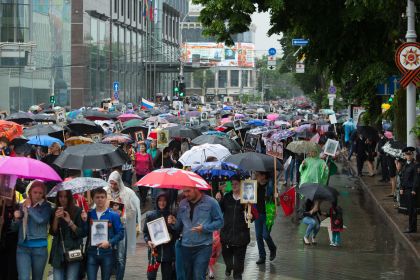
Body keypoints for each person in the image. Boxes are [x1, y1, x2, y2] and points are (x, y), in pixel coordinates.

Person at [168, 187, 223, 280]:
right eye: (184, 191)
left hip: (203, 246)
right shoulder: (182, 203)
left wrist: (204, 228)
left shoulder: (211, 202)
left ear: (196, 188)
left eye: (188, 191)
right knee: (188, 276)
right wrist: (173, 222)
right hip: (186, 246)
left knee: (198, 276)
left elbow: (220, 222)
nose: (186, 194)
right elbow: (179, 226)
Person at [11, 180, 52, 280]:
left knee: (37, 278)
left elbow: (41, 220)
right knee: (23, 277)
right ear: (29, 192)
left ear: (43, 194)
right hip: (22, 248)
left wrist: (29, 208)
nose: (37, 195)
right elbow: (14, 229)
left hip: (40, 249)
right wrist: (15, 219)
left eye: (40, 193)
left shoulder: (46, 206)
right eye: (35, 192)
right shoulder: (21, 205)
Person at [105, 171, 141, 280]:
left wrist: (123, 214)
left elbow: (133, 211)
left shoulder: (127, 193)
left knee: (120, 256)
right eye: (111, 183)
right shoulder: (104, 192)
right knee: (109, 254)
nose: (112, 186)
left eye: (115, 183)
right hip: (108, 229)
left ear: (119, 182)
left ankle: (119, 277)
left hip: (121, 228)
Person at [86, 188, 125, 280]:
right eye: (97, 197)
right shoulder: (89, 214)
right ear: (93, 199)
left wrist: (110, 242)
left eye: (102, 197)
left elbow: (120, 233)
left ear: (106, 198)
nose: (100, 199)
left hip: (107, 253)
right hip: (92, 252)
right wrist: (84, 221)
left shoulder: (113, 215)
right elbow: (84, 232)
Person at [49, 190, 87, 280]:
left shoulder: (77, 211)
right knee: (57, 278)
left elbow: (81, 233)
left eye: (65, 197)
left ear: (69, 198)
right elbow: (53, 232)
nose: (63, 199)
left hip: (73, 249)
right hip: (58, 250)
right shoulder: (54, 210)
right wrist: (56, 219)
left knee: (71, 278)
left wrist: (69, 221)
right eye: (60, 196)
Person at [219, 178, 252, 280]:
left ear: (241, 184)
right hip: (226, 235)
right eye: (232, 184)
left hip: (241, 236)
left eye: (236, 183)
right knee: (227, 259)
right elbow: (218, 210)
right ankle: (229, 267)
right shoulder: (227, 197)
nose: (234, 186)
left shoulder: (247, 197)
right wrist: (218, 199)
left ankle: (237, 276)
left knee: (239, 263)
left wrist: (251, 216)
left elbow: (253, 213)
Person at [143, 193, 177, 280]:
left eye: (164, 200)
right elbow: (145, 232)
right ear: (157, 201)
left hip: (168, 253)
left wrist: (173, 224)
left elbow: (177, 233)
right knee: (151, 276)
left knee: (167, 277)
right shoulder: (150, 215)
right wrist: (148, 241)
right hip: (154, 252)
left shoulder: (172, 215)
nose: (162, 203)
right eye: (160, 200)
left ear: (168, 202)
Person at [254, 172, 277, 264]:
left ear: (263, 176)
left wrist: (276, 197)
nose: (256, 177)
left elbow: (277, 202)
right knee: (258, 236)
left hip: (269, 214)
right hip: (257, 214)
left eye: (258, 175)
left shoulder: (271, 186)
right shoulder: (255, 185)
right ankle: (262, 256)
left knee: (265, 235)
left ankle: (273, 248)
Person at [398, 147, 418, 233]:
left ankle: (412, 228)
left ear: (412, 155)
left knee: (412, 210)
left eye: (410, 154)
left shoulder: (415, 165)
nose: (408, 156)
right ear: (405, 155)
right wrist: (402, 188)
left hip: (411, 190)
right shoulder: (405, 165)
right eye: (407, 154)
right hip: (405, 189)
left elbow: (416, 179)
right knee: (409, 209)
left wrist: (414, 189)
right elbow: (403, 177)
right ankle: (411, 226)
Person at [0, 193, 19, 280]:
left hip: (13, 245)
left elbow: (17, 228)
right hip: (2, 243)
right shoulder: (1, 207)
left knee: (12, 272)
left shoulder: (17, 207)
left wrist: (16, 220)